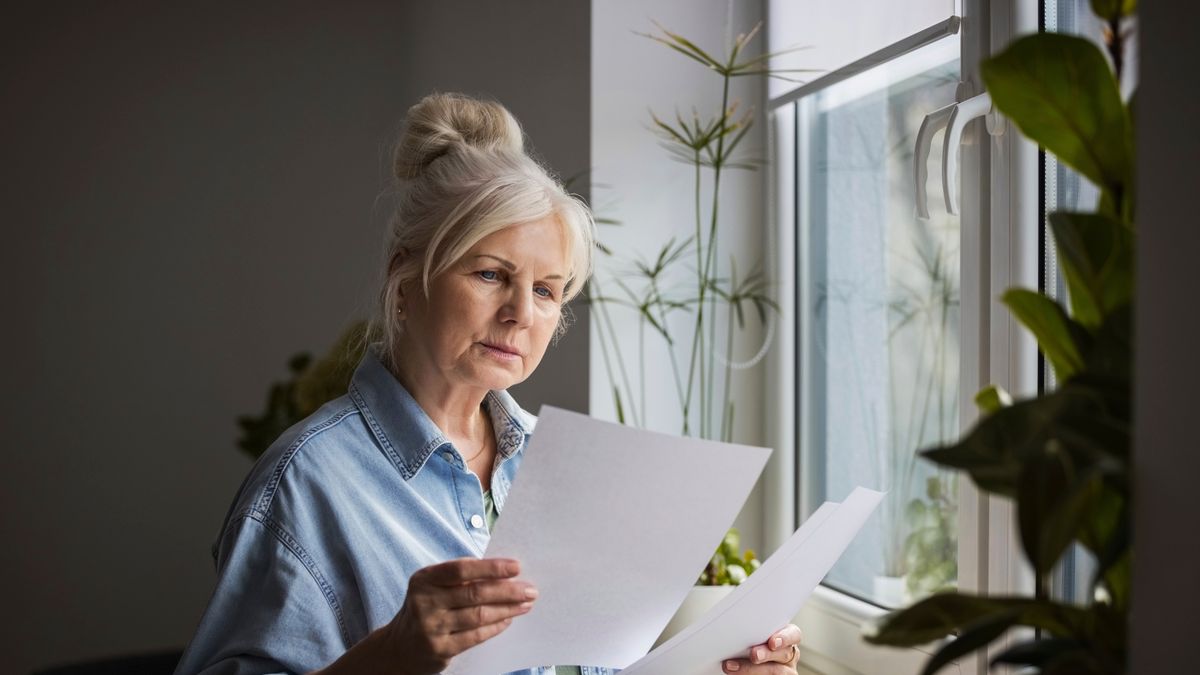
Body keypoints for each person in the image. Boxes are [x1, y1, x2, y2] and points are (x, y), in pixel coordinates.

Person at [175, 93, 803, 675]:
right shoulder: (304, 482)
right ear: (405, 278)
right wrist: (391, 656)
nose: (521, 313)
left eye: (546, 290)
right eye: (490, 274)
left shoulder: (573, 468)